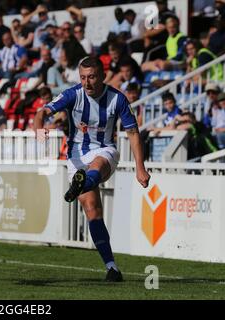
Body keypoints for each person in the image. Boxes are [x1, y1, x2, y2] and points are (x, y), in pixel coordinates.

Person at [34, 56, 150, 282]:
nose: (87, 83)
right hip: (76, 155)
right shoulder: (72, 94)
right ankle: (112, 267)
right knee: (92, 210)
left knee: (96, 166)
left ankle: (80, 185)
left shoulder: (118, 99)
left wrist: (140, 167)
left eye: (92, 77)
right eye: (83, 77)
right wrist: (41, 136)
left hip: (105, 150)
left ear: (103, 76)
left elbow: (133, 133)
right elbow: (41, 114)